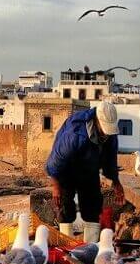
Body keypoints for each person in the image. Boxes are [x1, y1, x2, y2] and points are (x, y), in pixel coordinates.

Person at [45, 101, 125, 243]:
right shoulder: (75, 135)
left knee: (92, 205)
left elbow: (110, 159)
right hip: (67, 170)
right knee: (65, 205)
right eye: (104, 130)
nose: (106, 135)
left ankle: (90, 247)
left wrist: (116, 181)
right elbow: (55, 162)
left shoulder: (110, 135)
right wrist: (56, 187)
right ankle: (67, 245)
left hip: (89, 168)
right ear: (97, 121)